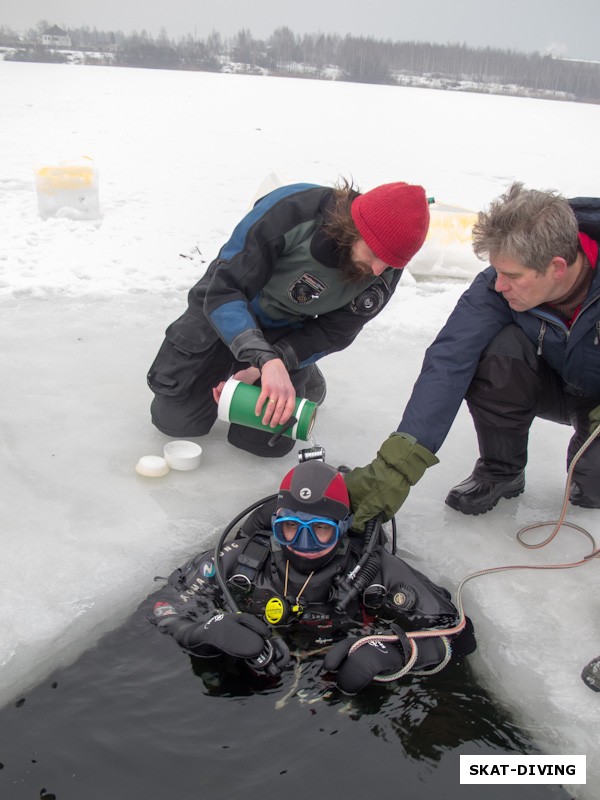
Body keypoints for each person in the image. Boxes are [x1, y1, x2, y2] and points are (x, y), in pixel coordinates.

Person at [345, 183, 600, 533]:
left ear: (557, 267)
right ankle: (502, 470)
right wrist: (395, 469)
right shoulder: (497, 285)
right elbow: (450, 358)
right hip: (554, 382)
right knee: (493, 350)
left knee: (592, 489)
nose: (499, 286)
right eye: (497, 273)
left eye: (512, 276)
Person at [147, 180, 430, 457]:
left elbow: (335, 331)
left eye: (391, 264)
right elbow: (224, 290)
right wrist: (263, 358)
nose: (378, 270)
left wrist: (273, 362)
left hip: (287, 329)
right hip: (227, 308)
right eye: (373, 254)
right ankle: (239, 360)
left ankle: (304, 378)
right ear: (354, 227)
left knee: (261, 442)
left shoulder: (387, 262)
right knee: (176, 422)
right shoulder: (291, 210)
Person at [150, 460, 471, 695]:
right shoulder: (244, 557)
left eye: (320, 530)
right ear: (276, 524)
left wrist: (393, 651)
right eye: (290, 528)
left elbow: (459, 635)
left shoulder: (376, 570)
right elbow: (164, 604)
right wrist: (201, 633)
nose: (304, 544)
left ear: (343, 527)